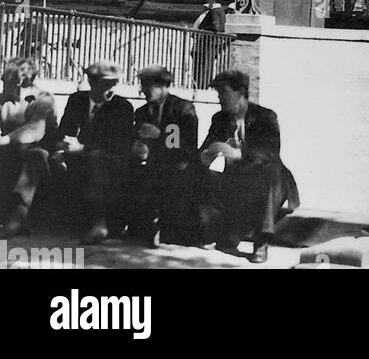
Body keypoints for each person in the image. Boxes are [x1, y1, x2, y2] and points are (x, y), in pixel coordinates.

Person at [198, 69, 298, 264]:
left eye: (223, 93)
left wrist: (238, 154)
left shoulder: (266, 117)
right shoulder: (219, 119)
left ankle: (261, 241)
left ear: (240, 92)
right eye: (218, 94)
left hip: (267, 179)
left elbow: (270, 153)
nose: (220, 98)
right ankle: (214, 231)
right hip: (236, 180)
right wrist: (205, 156)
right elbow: (204, 148)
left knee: (269, 172)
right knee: (200, 173)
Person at [51, 60, 134, 243]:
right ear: (91, 83)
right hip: (79, 156)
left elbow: (119, 144)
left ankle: (99, 225)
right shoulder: (76, 100)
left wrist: (82, 148)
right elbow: (64, 130)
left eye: (114, 84)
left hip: (111, 160)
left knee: (95, 158)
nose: (111, 89)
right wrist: (61, 149)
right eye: (106, 85)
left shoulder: (123, 107)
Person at [126, 66, 199, 245]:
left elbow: (186, 144)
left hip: (177, 162)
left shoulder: (182, 108)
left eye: (147, 86)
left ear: (164, 86)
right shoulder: (142, 112)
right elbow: (137, 138)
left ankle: (165, 228)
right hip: (152, 161)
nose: (142, 90)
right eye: (142, 85)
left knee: (171, 173)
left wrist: (159, 135)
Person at [0, 57, 58, 237]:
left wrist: (4, 139)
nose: (5, 85)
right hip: (11, 150)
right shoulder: (4, 99)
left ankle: (19, 215)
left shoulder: (43, 99)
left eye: (8, 80)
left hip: (42, 152)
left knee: (35, 155)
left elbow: (34, 131)